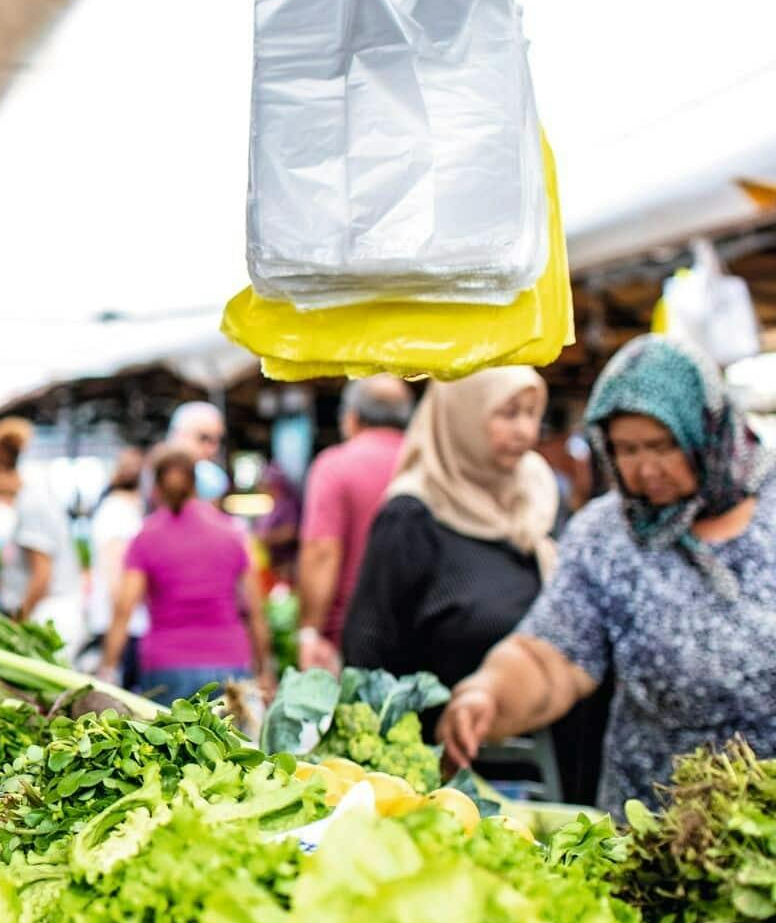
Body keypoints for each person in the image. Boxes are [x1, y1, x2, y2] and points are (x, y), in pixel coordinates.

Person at [439, 335, 776, 809]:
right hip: (651, 826)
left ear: (707, 431)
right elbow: (550, 656)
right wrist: (488, 695)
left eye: (661, 446)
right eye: (625, 449)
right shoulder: (607, 533)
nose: (643, 469)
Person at [340, 368, 557, 688]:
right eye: (508, 414)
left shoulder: (537, 496)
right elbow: (369, 648)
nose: (525, 431)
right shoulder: (412, 518)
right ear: (463, 416)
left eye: (531, 413)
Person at [105, 445, 273, 704]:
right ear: (196, 484)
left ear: (155, 489)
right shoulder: (231, 533)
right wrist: (265, 670)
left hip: (166, 667)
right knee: (229, 744)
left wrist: (107, 667)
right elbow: (255, 608)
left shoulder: (145, 537)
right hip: (229, 664)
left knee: (173, 742)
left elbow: (124, 609)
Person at [295, 375, 413, 671]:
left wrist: (309, 631)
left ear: (351, 418)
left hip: (353, 635)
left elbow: (322, 552)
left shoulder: (335, 466)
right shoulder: (431, 464)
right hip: (422, 630)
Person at [0, 418, 85, 655]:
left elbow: (42, 573)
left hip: (50, 618)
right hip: (51, 615)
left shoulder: (32, 504)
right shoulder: (30, 500)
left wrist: (20, 621)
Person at [84, 448, 147, 677]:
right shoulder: (119, 514)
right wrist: (111, 657)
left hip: (123, 625)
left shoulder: (117, 511)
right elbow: (117, 582)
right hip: (123, 627)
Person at [166, 401, 231, 502]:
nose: (214, 449)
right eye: (203, 438)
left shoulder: (212, 480)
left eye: (218, 441)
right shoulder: (154, 478)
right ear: (178, 435)